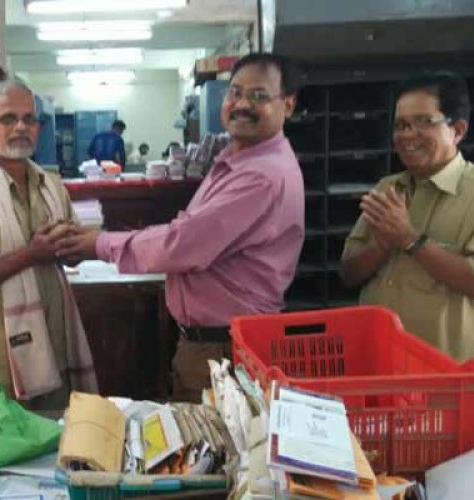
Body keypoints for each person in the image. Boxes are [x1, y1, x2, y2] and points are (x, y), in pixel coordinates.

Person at [51, 53, 305, 401]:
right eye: (235, 92)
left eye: (258, 96)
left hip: (226, 351)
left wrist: (99, 244)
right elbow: (189, 232)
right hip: (212, 345)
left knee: (220, 452)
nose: (241, 104)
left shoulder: (261, 176)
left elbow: (182, 244)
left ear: (287, 105)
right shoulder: (238, 160)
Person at [340, 71, 474, 369]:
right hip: (376, 367)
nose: (408, 135)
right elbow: (348, 273)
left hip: (447, 384)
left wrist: (410, 240)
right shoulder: (388, 188)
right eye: (401, 125)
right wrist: (381, 245)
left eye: (424, 122)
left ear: (458, 130)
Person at [0, 79, 97, 408]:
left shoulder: (52, 186)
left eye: (29, 119)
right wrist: (31, 254)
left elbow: (72, 257)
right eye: (8, 119)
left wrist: (75, 247)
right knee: (5, 455)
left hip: (55, 348)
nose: (21, 127)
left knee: (57, 447)